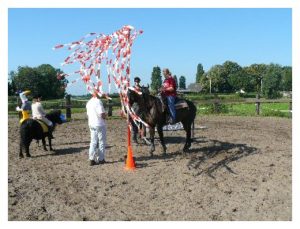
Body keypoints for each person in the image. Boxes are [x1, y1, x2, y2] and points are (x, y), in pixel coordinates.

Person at [86, 91, 107, 166]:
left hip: (91, 123)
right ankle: (101, 159)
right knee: (101, 141)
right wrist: (105, 116)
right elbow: (102, 114)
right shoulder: (98, 101)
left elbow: (88, 114)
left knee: (93, 142)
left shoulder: (88, 102)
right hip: (99, 124)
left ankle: (91, 159)